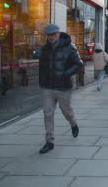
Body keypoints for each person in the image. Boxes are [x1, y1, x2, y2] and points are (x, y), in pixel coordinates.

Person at [38, 24, 83, 154]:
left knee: (66, 111)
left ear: (58, 34)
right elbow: (42, 67)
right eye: (49, 35)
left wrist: (66, 74)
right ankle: (49, 141)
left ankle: (73, 123)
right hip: (47, 87)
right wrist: (42, 83)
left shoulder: (69, 48)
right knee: (47, 113)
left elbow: (78, 64)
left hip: (63, 86)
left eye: (53, 35)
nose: (51, 37)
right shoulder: (45, 49)